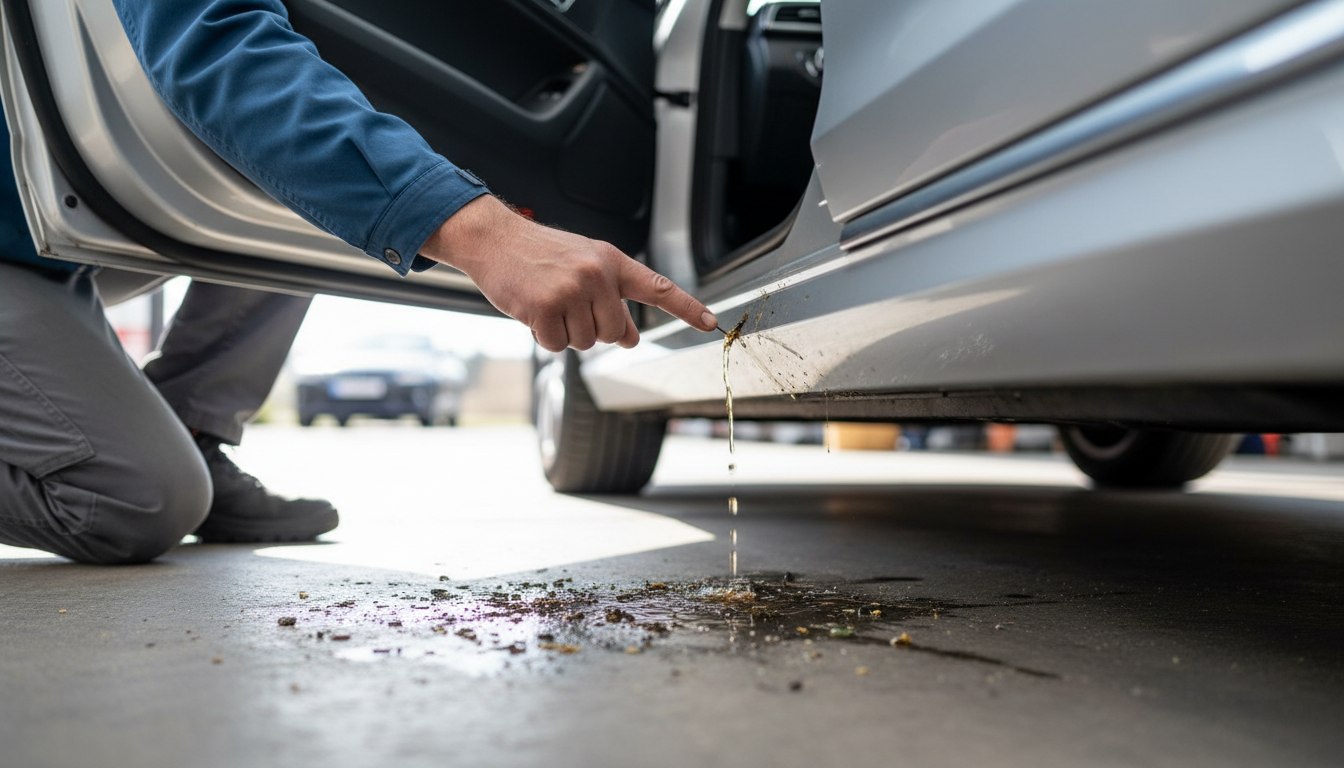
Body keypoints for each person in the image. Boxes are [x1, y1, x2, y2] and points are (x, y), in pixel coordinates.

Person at [0, 0, 717, 564]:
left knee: (302, 193)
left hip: (47, 221)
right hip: (18, 238)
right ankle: (174, 465)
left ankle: (194, 429)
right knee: (136, 501)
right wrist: (487, 235)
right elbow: (214, 46)